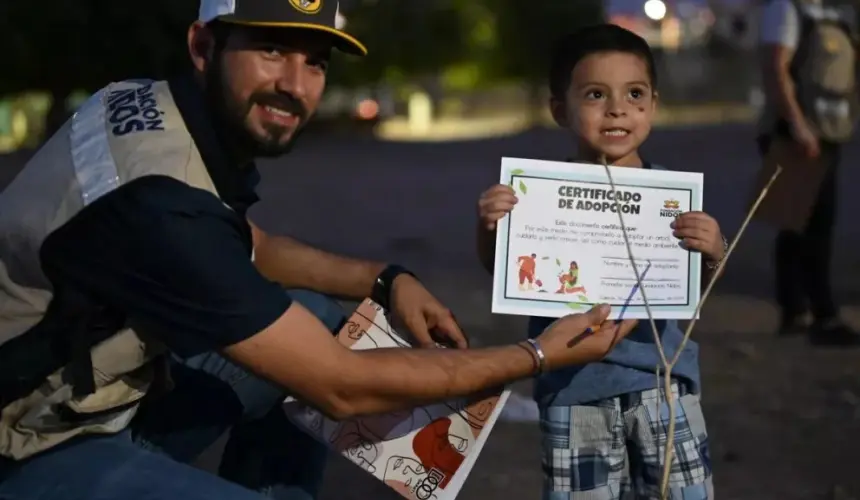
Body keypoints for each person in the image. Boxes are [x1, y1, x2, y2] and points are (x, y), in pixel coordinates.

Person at [0, 2, 640, 499]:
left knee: (326, 314)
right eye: (272, 49)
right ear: (204, 45)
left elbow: (248, 245)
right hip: (31, 442)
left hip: (81, 386)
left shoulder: (146, 104)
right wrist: (536, 353)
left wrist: (386, 279)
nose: (294, 85)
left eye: (315, 62)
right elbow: (342, 390)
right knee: (327, 360)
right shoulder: (159, 205)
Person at [476, 25, 720, 499]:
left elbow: (697, 288)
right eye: (595, 94)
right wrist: (490, 227)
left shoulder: (672, 194)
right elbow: (502, 272)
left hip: (663, 383)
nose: (617, 109)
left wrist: (714, 249)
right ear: (559, 109)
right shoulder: (536, 199)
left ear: (653, 103)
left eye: (634, 93)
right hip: (573, 387)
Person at [758, 0, 860, 344]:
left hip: (828, 129)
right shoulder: (786, 9)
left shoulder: (833, 12)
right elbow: (776, 67)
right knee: (802, 222)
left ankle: (798, 312)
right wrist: (798, 126)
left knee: (810, 223)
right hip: (797, 132)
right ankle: (821, 315)